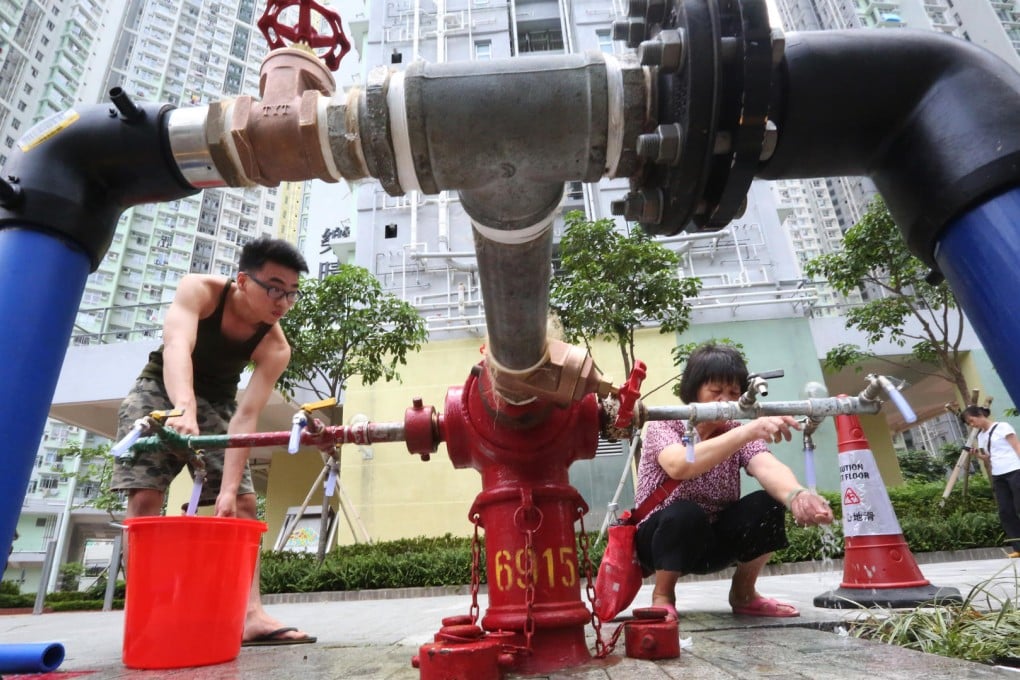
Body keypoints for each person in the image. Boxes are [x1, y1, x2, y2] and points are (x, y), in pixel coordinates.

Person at [111, 237, 316, 646]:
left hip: (218, 406)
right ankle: (147, 615)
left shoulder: (275, 347)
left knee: (241, 503)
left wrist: (225, 489)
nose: (283, 301)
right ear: (243, 279)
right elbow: (177, 347)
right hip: (158, 391)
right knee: (145, 498)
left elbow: (245, 417)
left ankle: (251, 615)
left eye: (292, 293)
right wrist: (182, 407)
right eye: (274, 287)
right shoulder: (200, 290)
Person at [635, 342, 834, 620]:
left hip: (712, 544)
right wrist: (747, 432)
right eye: (715, 392)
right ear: (693, 391)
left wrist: (797, 495)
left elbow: (767, 466)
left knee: (767, 504)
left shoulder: (738, 432)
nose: (725, 401)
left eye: (733, 393)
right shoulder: (665, 424)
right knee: (684, 512)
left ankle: (744, 593)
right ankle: (663, 595)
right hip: (659, 541)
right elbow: (679, 465)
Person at [962, 405, 1020, 558]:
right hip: (998, 474)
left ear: (980, 414)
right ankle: (1018, 547)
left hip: (1015, 469)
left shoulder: (1002, 427)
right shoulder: (981, 436)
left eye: (971, 420)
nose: (972, 425)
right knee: (1005, 511)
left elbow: (1017, 446)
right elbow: (988, 457)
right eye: (969, 423)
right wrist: (977, 456)